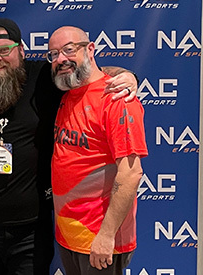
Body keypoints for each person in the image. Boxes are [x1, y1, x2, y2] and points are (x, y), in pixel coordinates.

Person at [0, 18, 138, 275]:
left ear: (21, 51)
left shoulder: (43, 79)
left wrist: (127, 76)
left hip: (32, 230)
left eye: (4, 50)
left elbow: (87, 73)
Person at [48, 26, 147, 274]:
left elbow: (131, 174)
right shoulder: (68, 93)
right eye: (54, 54)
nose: (61, 59)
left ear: (90, 49)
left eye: (69, 50)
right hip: (69, 233)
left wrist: (106, 235)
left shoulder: (116, 98)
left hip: (100, 240)